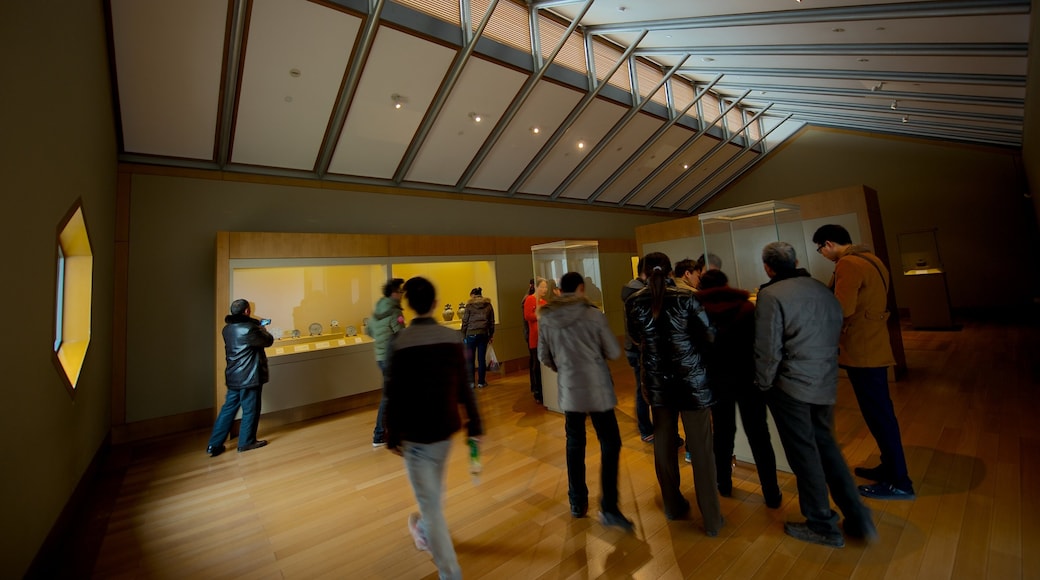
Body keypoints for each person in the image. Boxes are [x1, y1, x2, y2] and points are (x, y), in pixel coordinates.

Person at [754, 242, 877, 548]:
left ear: (768, 268)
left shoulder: (771, 295)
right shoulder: (822, 289)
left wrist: (764, 383)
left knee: (803, 454)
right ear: (795, 260)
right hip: (823, 379)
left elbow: (768, 350)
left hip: (792, 386)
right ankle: (857, 515)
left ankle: (822, 523)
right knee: (827, 447)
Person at [384, 276, 483, 580]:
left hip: (416, 435)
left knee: (430, 503)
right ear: (436, 304)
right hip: (445, 431)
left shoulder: (399, 342)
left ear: (409, 305)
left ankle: (450, 572)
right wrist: (475, 422)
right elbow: (464, 385)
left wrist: (391, 432)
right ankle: (425, 530)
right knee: (434, 491)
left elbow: (393, 392)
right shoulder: (450, 338)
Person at [812, 224, 915, 500]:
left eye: (820, 248)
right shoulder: (873, 259)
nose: (821, 254)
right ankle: (890, 467)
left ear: (829, 243)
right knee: (880, 412)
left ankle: (900, 482)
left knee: (879, 415)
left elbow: (843, 308)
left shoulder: (847, 264)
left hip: (862, 349)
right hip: (874, 341)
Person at [625, 252, 723, 537]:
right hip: (692, 381)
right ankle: (712, 519)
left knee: (664, 446)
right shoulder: (688, 296)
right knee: (702, 449)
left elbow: (635, 337)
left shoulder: (634, 301)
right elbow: (709, 335)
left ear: (643, 272)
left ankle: (673, 506)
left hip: (657, 383)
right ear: (671, 271)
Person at [539, 272, 633, 531]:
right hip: (598, 389)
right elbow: (614, 351)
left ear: (559, 291)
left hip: (570, 390)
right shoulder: (594, 315)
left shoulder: (547, 318)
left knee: (575, 443)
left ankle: (577, 502)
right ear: (580, 288)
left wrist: (565, 368)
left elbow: (544, 356)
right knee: (611, 443)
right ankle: (610, 506)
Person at [697, 269, 782, 507]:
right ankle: (771, 492)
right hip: (748, 378)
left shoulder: (700, 311)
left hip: (716, 380)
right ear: (726, 284)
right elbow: (760, 343)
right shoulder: (746, 308)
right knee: (759, 434)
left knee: (722, 434)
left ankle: (723, 483)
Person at [207, 298, 275, 456]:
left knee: (228, 410)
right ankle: (246, 442)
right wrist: (262, 327)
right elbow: (268, 341)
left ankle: (214, 444)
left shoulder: (227, 329)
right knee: (250, 409)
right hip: (249, 376)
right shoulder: (250, 329)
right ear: (247, 311)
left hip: (234, 375)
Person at [369, 278, 406, 447]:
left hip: (381, 356)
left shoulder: (377, 309)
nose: (402, 295)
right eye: (400, 291)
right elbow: (401, 334)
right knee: (390, 396)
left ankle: (392, 431)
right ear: (394, 293)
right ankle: (379, 434)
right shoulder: (394, 311)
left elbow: (369, 330)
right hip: (392, 357)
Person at [620, 258, 653, 442]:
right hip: (638, 347)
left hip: (633, 347)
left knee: (641, 389)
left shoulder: (632, 290)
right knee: (643, 390)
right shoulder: (638, 293)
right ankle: (646, 429)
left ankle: (646, 427)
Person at [461, 286, 495, 388]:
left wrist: (463, 335)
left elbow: (465, 322)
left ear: (473, 295)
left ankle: (471, 383)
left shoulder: (469, 306)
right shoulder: (488, 305)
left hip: (470, 335)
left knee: (470, 360)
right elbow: (491, 322)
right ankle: (481, 382)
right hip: (483, 334)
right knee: (481, 359)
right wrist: (491, 335)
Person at [524, 277, 549, 403]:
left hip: (544, 336)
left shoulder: (544, 302)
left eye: (546, 287)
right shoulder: (530, 299)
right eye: (543, 287)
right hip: (535, 337)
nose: (545, 289)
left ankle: (545, 391)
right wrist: (539, 315)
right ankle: (538, 392)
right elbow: (528, 315)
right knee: (537, 366)